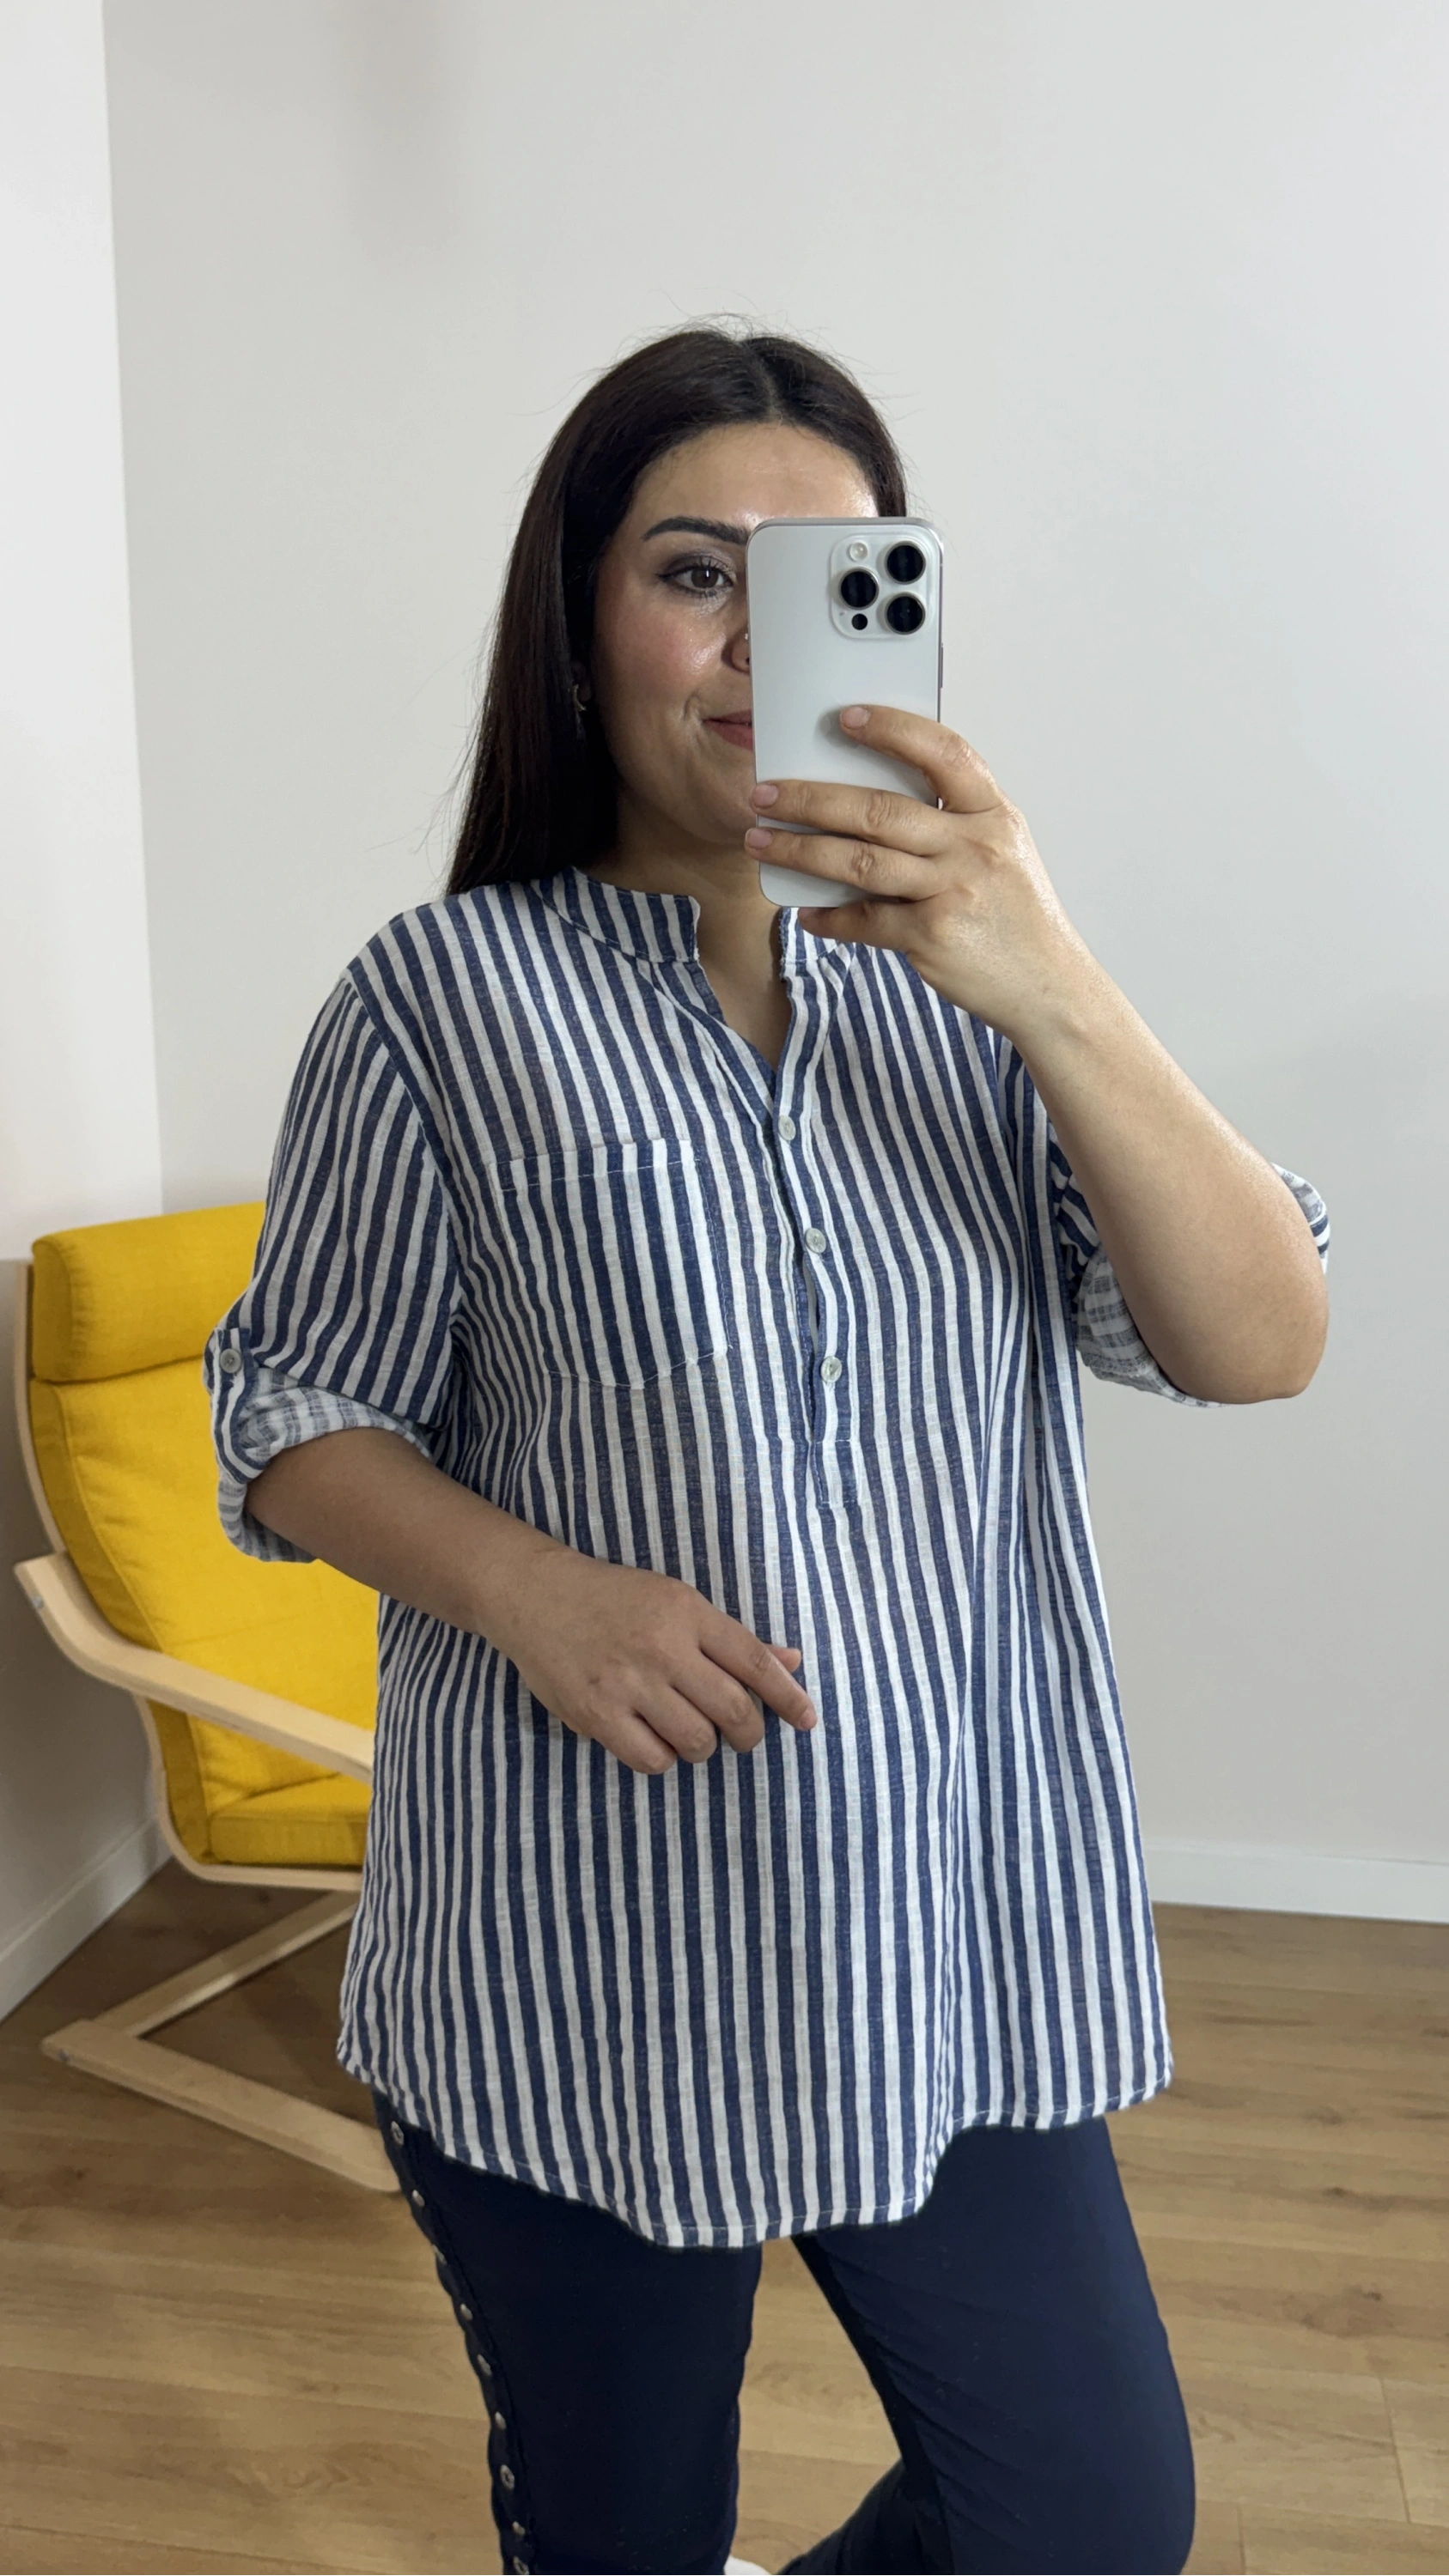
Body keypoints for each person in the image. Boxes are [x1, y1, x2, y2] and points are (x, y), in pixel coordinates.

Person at [206, 325, 1329, 2576]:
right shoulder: (442, 1000)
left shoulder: (981, 1000)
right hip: (579, 1948)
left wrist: (1039, 963)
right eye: (695, 572)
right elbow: (294, 1406)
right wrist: (535, 1590)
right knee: (621, 2536)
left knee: (1090, 2516)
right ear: (579, 619)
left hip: (950, 1927)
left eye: (833, 583)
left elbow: (1255, 1341)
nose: (756, 643)